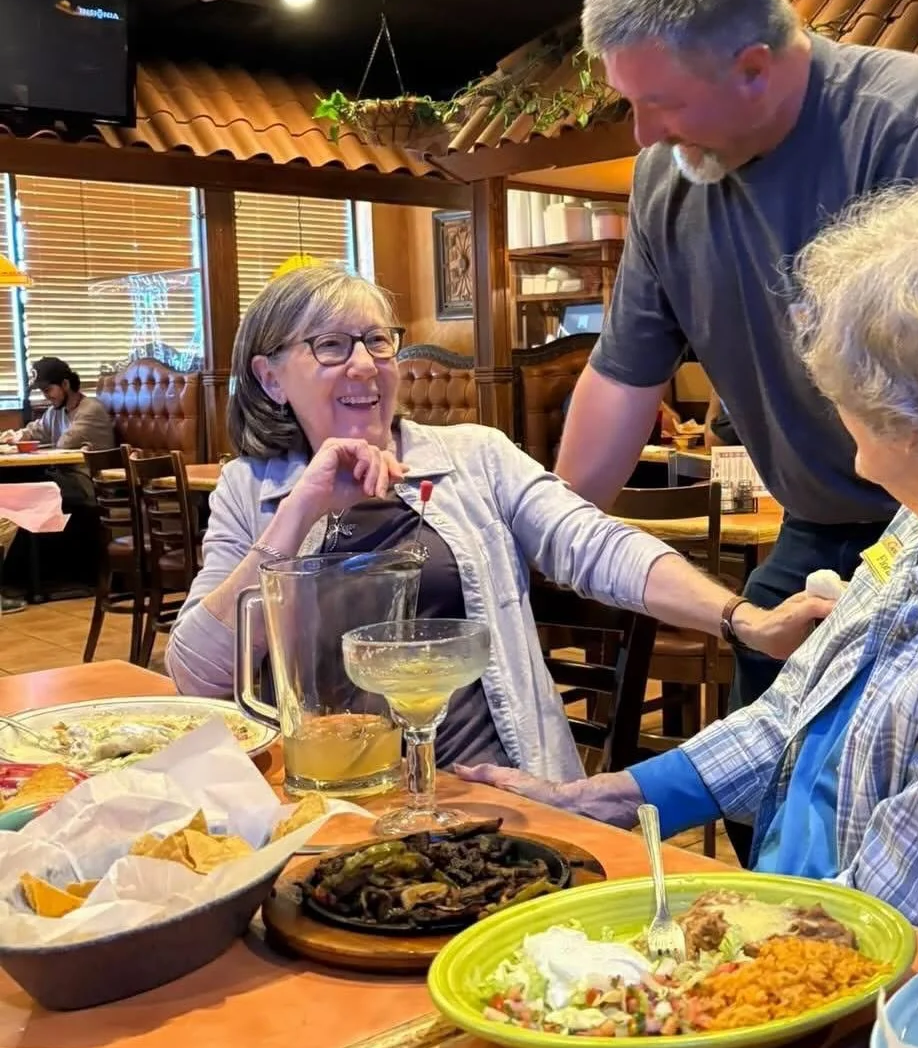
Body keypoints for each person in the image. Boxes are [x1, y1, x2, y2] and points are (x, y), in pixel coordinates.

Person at [459, 179, 918, 945]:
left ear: (913, 417)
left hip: (915, 1004)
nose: (829, 399)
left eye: (843, 381)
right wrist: (603, 800)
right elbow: (793, 712)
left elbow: (895, 930)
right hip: (799, 928)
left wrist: (667, 954)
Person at [552, 0, 918, 733]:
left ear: (754, 68)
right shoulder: (665, 178)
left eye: (661, 103)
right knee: (756, 764)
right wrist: (546, 540)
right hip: (813, 527)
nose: (644, 133)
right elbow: (622, 377)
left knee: (872, 781)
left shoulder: (911, 126)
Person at [165, 265, 831, 779]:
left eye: (377, 340)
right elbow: (195, 675)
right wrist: (301, 511)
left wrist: (743, 619)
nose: (364, 364)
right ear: (271, 378)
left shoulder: (476, 457)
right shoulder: (249, 491)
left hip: (495, 787)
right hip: (335, 793)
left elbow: (593, 543)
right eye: (331, 345)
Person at [0, 358, 116, 453]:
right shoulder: (55, 411)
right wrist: (15, 436)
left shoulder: (91, 410)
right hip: (63, 470)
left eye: (48, 390)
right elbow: (36, 431)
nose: (45, 396)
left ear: (65, 384)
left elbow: (65, 443)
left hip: (86, 473)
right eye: (42, 391)